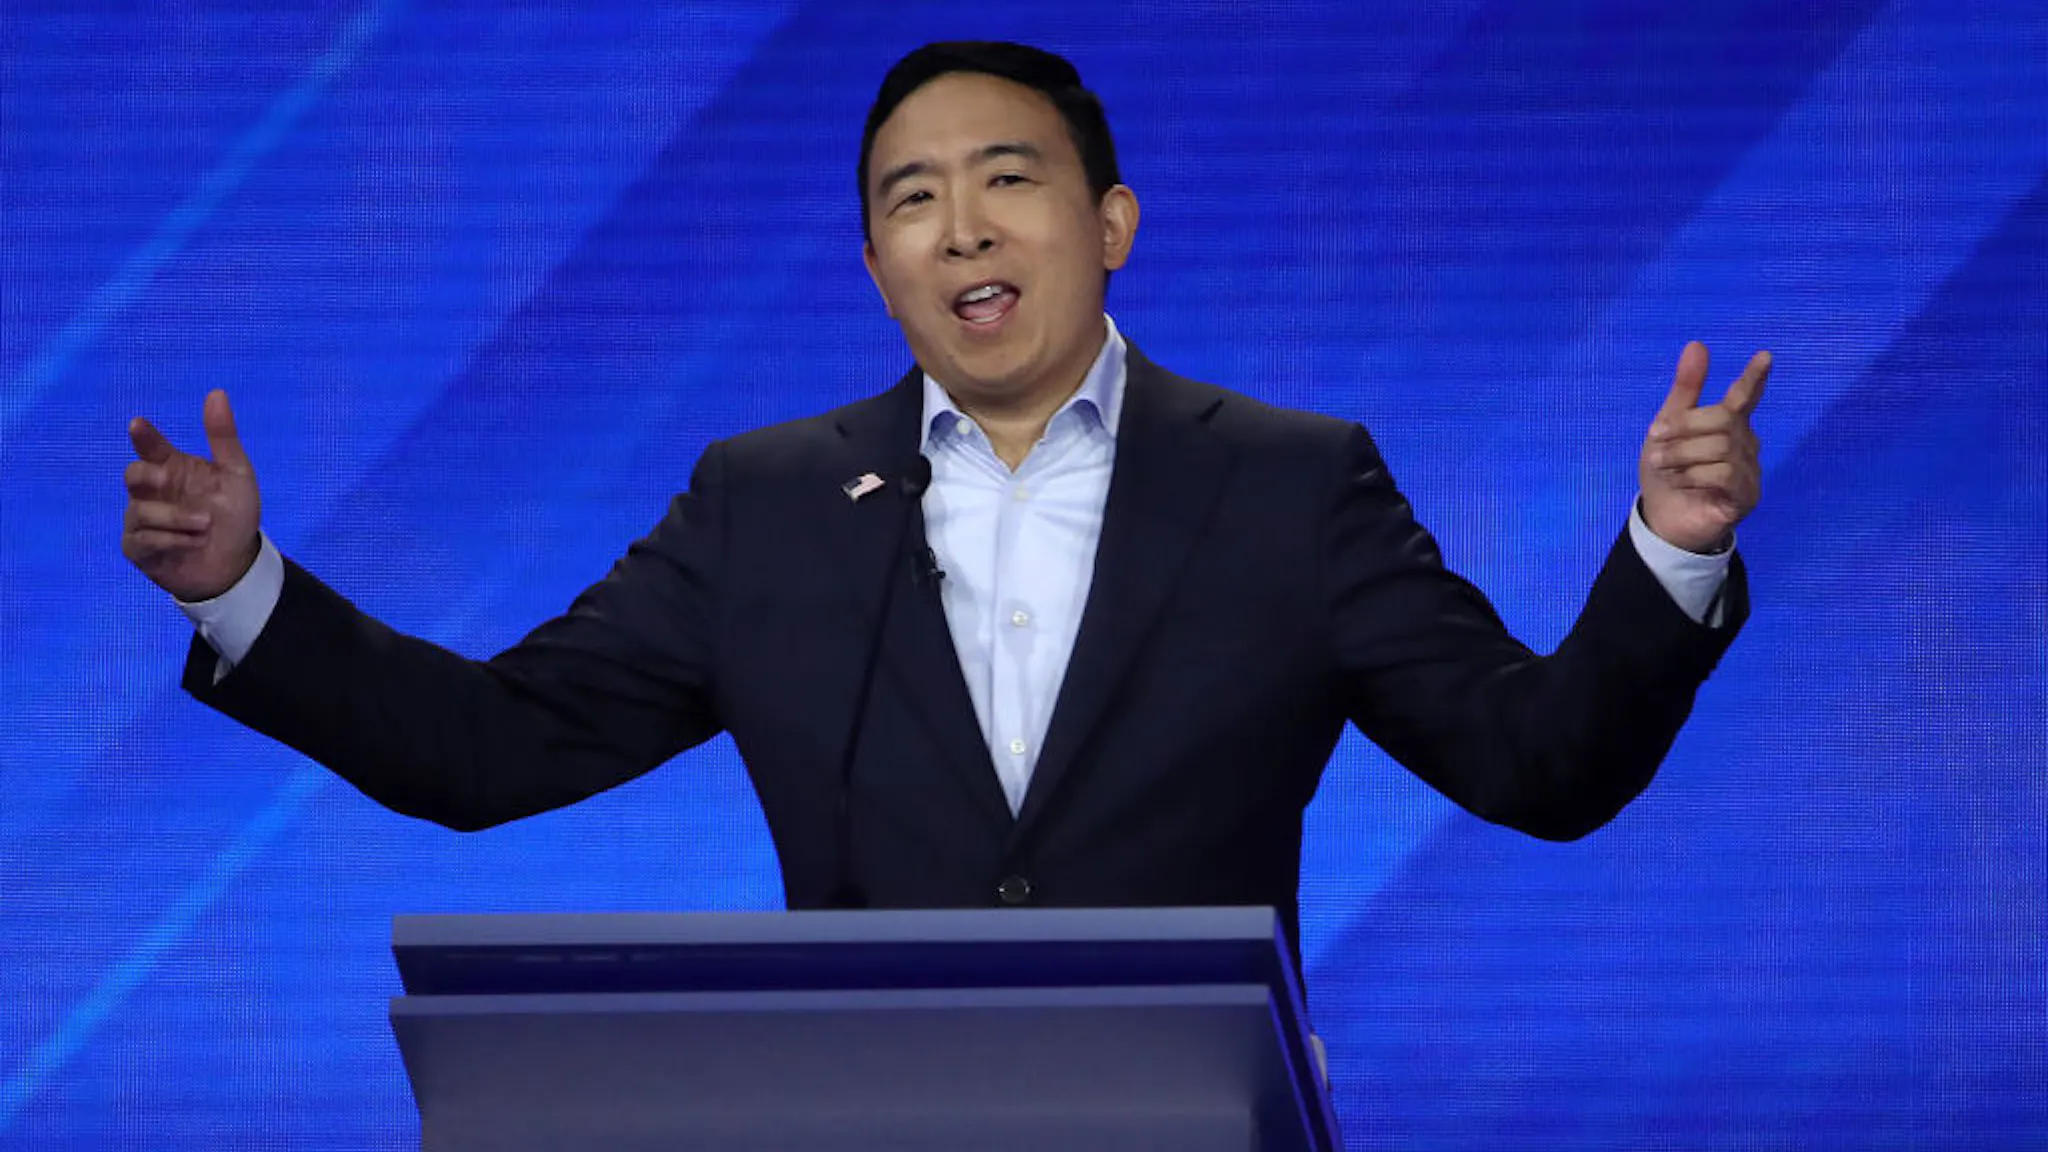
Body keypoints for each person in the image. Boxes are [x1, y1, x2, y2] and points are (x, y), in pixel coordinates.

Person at [120, 42, 1766, 958]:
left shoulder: (1290, 484)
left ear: (1109, 223)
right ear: (877, 267)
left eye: (1009, 181)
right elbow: (481, 753)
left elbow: (1541, 768)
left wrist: (1667, 557)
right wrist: (242, 583)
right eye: (915, 199)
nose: (964, 228)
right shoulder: (763, 504)